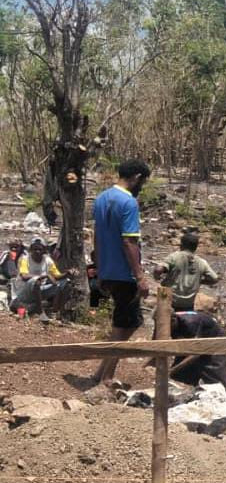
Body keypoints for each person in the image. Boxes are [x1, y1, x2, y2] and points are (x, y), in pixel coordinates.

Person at [91, 159, 152, 386]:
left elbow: (96, 234)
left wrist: (99, 267)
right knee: (126, 323)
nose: (142, 186)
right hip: (124, 273)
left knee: (126, 321)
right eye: (142, 181)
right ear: (136, 177)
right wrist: (140, 276)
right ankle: (107, 376)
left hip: (108, 270)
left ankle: (102, 370)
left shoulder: (101, 198)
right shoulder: (129, 203)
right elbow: (129, 242)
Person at [155, 231, 219, 312]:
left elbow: (158, 270)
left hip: (170, 301)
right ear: (195, 247)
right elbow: (215, 279)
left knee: (158, 317)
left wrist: (157, 277)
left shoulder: (174, 257)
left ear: (182, 245)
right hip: (188, 304)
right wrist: (200, 281)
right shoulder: (202, 262)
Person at [169, 311, 226, 389]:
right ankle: (191, 388)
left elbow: (195, 353)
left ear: (173, 320)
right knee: (178, 375)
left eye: (168, 326)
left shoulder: (190, 323)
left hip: (214, 339)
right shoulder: (166, 322)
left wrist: (172, 370)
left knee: (214, 370)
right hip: (193, 339)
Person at [12, 237, 73, 318]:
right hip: (24, 291)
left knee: (66, 283)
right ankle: (40, 312)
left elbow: (57, 276)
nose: (37, 251)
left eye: (40, 249)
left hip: (40, 290)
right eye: (35, 249)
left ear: (44, 250)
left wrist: (67, 273)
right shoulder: (25, 259)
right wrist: (45, 275)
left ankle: (57, 313)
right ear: (31, 249)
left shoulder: (48, 260)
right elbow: (24, 276)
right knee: (36, 281)